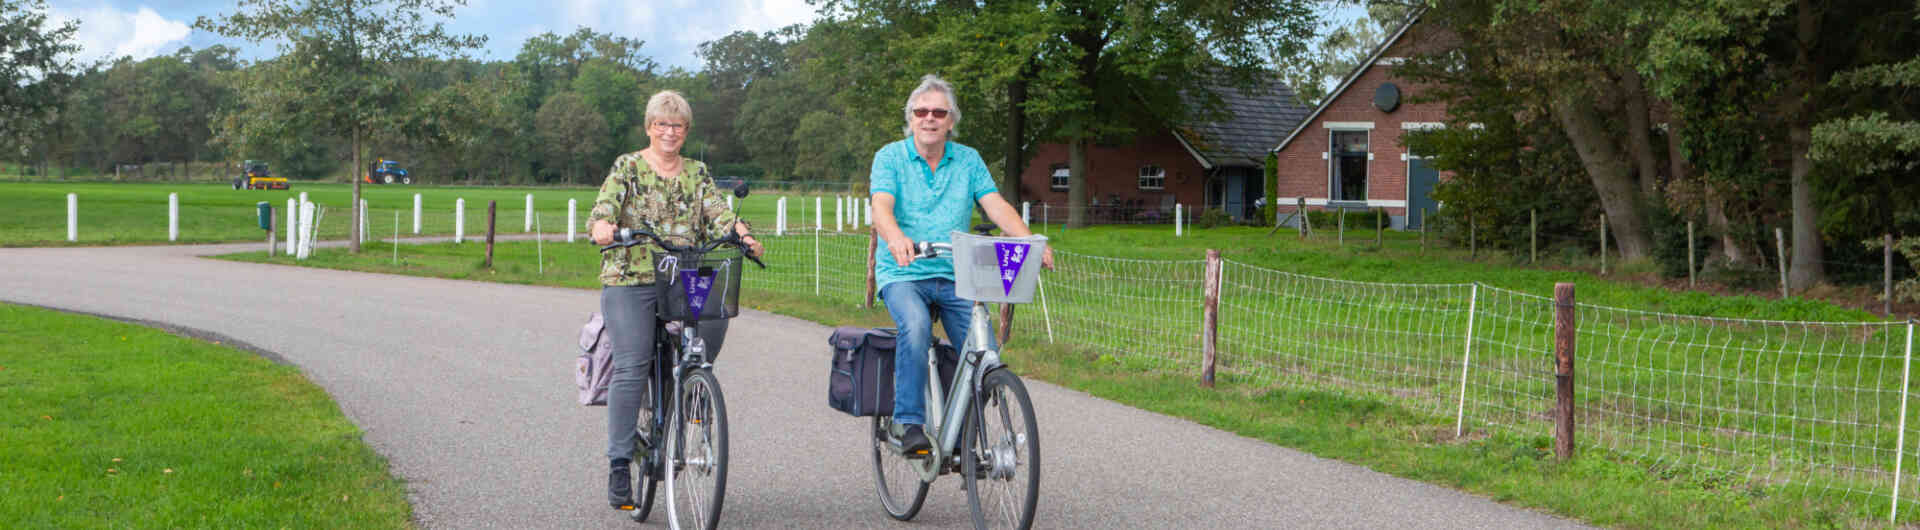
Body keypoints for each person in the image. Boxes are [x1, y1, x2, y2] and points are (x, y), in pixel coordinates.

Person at [586, 89, 763, 510]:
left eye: (677, 125)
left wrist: (744, 235)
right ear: (649, 128)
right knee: (632, 364)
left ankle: (692, 387)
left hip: (685, 274)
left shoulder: (697, 171)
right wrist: (604, 226)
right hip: (631, 276)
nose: (670, 131)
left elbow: (719, 212)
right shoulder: (627, 166)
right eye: (662, 124)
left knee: (709, 329)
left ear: (686, 131)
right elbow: (603, 208)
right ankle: (619, 462)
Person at [869, 74, 1053, 456]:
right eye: (922, 112)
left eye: (939, 112)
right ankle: (908, 423)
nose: (930, 118)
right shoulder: (890, 157)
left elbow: (994, 204)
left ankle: (959, 429)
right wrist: (896, 238)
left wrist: (1029, 239)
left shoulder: (967, 159)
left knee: (983, 353)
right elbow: (881, 207)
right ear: (911, 118)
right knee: (916, 326)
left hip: (956, 273)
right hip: (904, 271)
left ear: (951, 120)